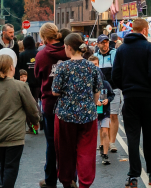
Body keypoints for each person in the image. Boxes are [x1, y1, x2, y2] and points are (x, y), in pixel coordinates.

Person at [112, 18, 151, 187]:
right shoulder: (149, 48)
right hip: (148, 97)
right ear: (145, 30)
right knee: (150, 137)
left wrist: (126, 88)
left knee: (132, 137)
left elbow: (115, 76)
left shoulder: (122, 49)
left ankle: (133, 176)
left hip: (130, 97)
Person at [52, 33, 102, 188]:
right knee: (86, 151)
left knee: (65, 151)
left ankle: (67, 181)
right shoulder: (91, 67)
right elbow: (97, 90)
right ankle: (85, 183)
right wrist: (91, 105)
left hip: (66, 115)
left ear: (68, 47)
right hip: (87, 114)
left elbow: (55, 91)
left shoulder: (62, 66)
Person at [0, 52, 40, 188]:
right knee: (11, 168)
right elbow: (31, 108)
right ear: (11, 67)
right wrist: (35, 121)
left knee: (2, 166)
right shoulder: (20, 86)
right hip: (15, 134)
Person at [34, 23, 69, 188]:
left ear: (44, 38)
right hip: (68, 101)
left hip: (49, 103)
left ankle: (50, 180)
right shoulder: (68, 51)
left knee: (51, 143)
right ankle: (70, 177)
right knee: (69, 141)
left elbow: (37, 75)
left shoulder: (41, 55)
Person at [95, 34, 121, 154]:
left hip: (113, 88)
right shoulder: (95, 56)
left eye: (106, 42)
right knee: (102, 116)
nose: (105, 44)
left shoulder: (115, 53)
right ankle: (102, 142)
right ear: (98, 44)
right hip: (101, 90)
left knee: (113, 115)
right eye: (102, 42)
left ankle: (112, 142)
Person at [88, 55, 115, 166]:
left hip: (104, 112)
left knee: (104, 132)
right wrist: (94, 102)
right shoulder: (89, 85)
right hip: (93, 113)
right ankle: (93, 152)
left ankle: (105, 154)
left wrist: (107, 100)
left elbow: (112, 95)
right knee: (92, 134)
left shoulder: (106, 84)